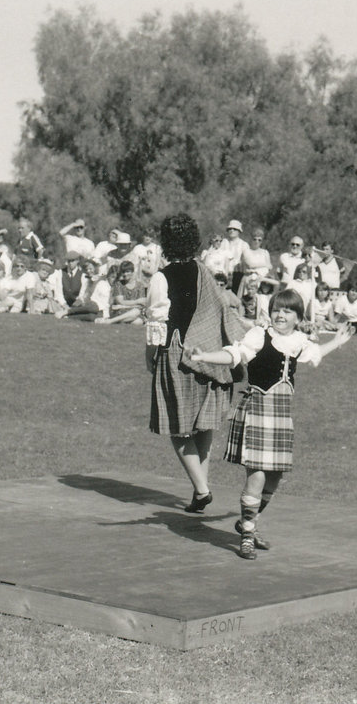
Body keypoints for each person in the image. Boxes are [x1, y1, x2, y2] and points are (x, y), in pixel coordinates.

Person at [188, 291, 352, 559]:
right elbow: (234, 355)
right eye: (277, 309)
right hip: (257, 412)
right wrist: (204, 356)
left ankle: (246, 523)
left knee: (274, 478)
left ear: (298, 317)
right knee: (258, 476)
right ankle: (248, 536)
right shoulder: (258, 335)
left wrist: (336, 340)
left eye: (287, 311)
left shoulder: (299, 341)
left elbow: (314, 353)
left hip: (281, 417)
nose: (280, 315)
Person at [145, 213, 247, 514]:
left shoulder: (161, 278)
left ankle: (202, 490)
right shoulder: (205, 272)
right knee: (204, 426)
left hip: (177, 356)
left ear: (166, 241)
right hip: (210, 356)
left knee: (177, 428)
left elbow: (157, 325)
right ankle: (198, 490)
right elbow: (221, 312)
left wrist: (149, 357)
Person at [96, 260, 146, 324]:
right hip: (120, 311)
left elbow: (141, 304)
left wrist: (127, 304)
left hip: (133, 312)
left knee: (138, 321)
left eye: (127, 271)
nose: (125, 274)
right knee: (136, 312)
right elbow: (120, 301)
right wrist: (136, 302)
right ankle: (113, 321)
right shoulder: (118, 284)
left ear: (133, 272)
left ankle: (111, 321)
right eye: (123, 272)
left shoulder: (140, 285)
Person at [224, 219, 249, 292]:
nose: (232, 230)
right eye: (230, 229)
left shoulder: (244, 245)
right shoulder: (224, 243)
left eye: (234, 229)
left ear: (239, 231)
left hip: (238, 274)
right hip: (224, 274)